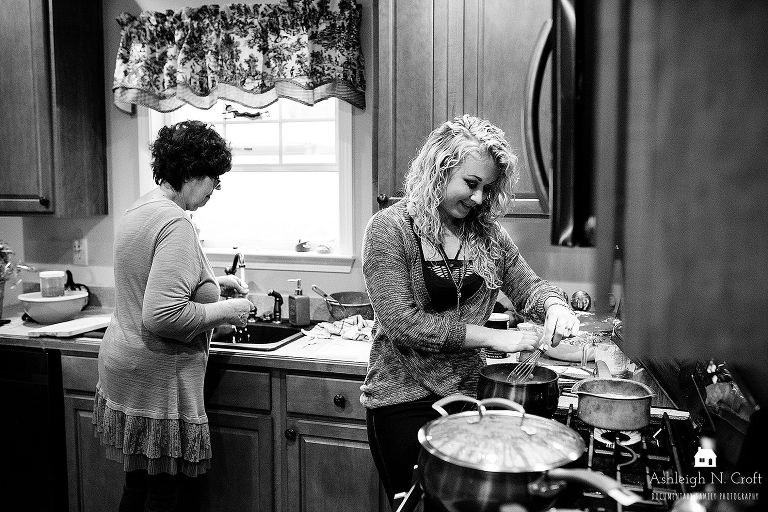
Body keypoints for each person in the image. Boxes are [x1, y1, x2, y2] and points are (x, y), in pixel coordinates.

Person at [361, 114, 581, 504]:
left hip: (470, 399)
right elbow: (403, 324)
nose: (479, 199)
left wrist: (553, 307)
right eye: (472, 184)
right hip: (401, 401)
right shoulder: (390, 229)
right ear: (438, 169)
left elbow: (526, 283)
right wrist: (497, 337)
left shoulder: (487, 233)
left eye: (487, 188)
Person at [92, 120, 254, 512]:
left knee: (138, 489)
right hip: (156, 377)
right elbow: (163, 315)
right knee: (163, 497)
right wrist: (230, 310)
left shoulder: (143, 206)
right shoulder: (177, 222)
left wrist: (217, 282)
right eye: (213, 178)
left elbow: (157, 276)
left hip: (125, 366)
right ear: (193, 172)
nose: (215, 189)